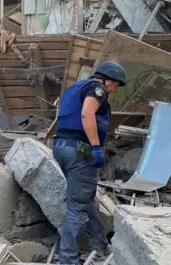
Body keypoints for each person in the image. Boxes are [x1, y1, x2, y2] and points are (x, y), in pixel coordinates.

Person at [53, 60, 126, 264]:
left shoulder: (74, 88)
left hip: (61, 146)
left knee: (87, 198)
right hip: (81, 150)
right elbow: (86, 113)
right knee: (77, 206)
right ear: (108, 80)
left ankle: (99, 243)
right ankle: (67, 260)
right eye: (115, 85)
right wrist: (95, 146)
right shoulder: (97, 88)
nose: (113, 90)